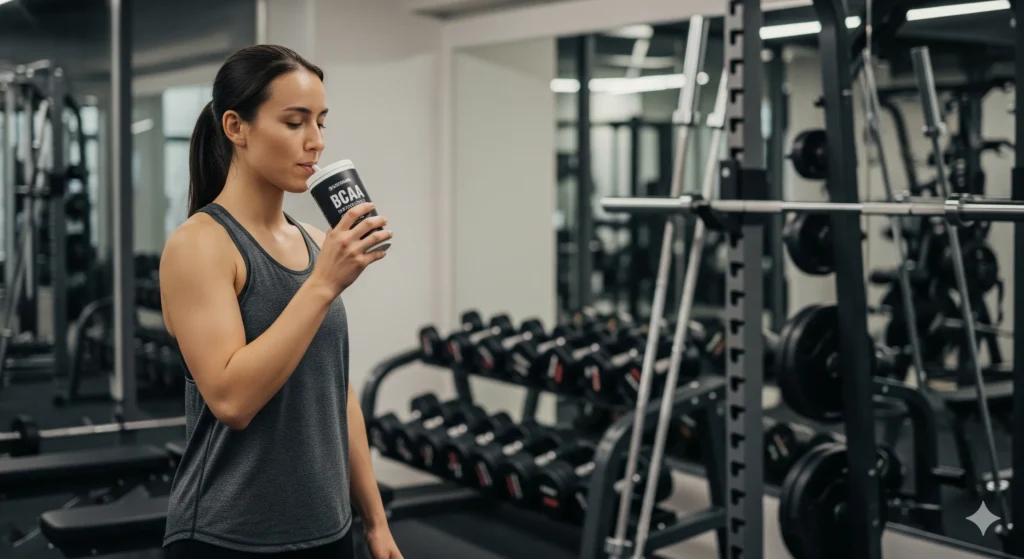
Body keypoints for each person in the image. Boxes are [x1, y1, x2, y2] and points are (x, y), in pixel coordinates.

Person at [159, 44, 400, 559]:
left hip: (328, 527)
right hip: (231, 534)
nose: (315, 142)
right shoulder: (199, 245)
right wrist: (323, 284)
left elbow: (337, 392)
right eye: (294, 122)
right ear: (236, 127)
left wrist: (374, 522)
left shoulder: (315, 239)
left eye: (321, 122)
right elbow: (231, 401)